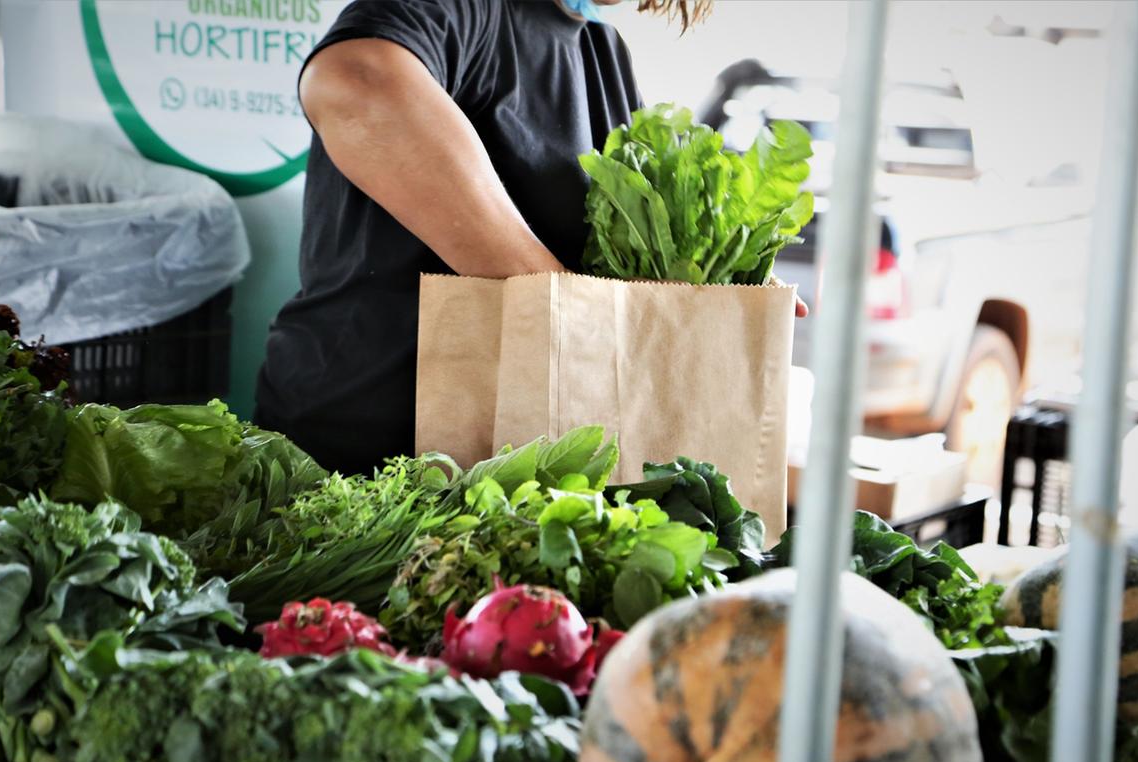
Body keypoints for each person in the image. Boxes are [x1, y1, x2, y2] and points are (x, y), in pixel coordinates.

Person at [254, 0, 781, 475]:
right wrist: (558, 297)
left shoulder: (602, 49)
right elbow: (355, 82)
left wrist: (720, 285)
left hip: (494, 468)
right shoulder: (469, 10)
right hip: (355, 462)